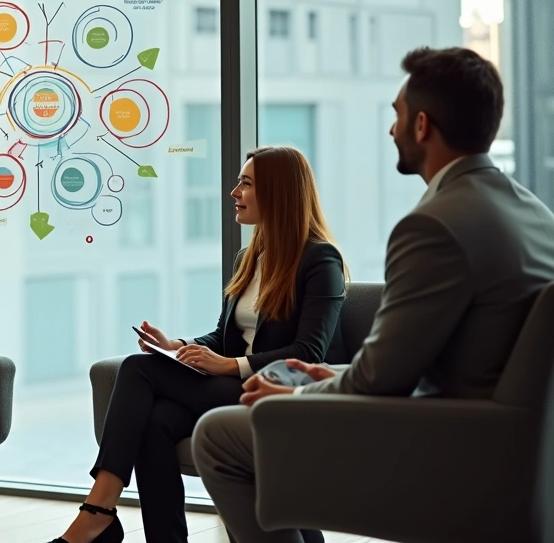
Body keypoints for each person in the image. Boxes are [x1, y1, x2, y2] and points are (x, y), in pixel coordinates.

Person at [192, 47, 554, 543]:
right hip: (517, 448)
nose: (392, 130)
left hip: (442, 444)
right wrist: (331, 374)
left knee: (218, 435)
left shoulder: (433, 226)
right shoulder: (534, 213)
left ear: (423, 125)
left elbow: (381, 381)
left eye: (398, 116)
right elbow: (421, 362)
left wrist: (298, 393)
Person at [50, 146, 347, 543]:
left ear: (278, 192)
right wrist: (178, 345)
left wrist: (227, 366)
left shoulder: (320, 260)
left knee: (137, 369)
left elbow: (308, 353)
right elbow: (225, 335)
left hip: (279, 394)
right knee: (155, 422)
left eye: (246, 183)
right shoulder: (250, 256)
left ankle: (98, 512)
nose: (233, 192)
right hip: (233, 389)